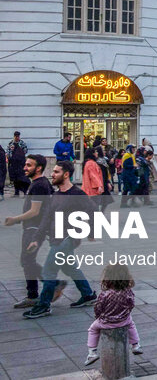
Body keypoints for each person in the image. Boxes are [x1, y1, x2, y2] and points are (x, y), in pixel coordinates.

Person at [23, 161, 97, 318]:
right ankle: (88, 295)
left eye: (56, 172)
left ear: (66, 174)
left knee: (48, 270)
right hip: (55, 238)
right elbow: (46, 219)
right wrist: (36, 238)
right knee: (71, 268)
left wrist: (91, 231)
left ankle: (43, 305)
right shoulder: (55, 196)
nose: (52, 174)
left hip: (68, 238)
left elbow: (92, 211)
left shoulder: (77, 194)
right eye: (53, 171)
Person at [4, 155, 52, 308]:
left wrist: (15, 219)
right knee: (27, 260)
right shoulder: (40, 183)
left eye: (29, 165)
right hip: (35, 228)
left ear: (38, 168)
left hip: (34, 228)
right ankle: (39, 290)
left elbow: (34, 211)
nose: (25, 167)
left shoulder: (39, 185)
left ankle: (38, 293)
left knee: (27, 260)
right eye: (25, 164)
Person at [84, 263, 142, 366]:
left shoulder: (105, 294)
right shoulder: (127, 291)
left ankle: (92, 352)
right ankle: (135, 345)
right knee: (131, 324)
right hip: (124, 320)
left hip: (106, 322)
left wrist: (98, 317)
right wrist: (126, 313)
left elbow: (98, 307)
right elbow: (131, 304)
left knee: (92, 329)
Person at [8, 131, 29, 196]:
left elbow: (25, 150)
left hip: (21, 163)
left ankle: (24, 192)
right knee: (15, 179)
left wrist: (20, 154)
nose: (17, 137)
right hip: (13, 164)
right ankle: (16, 192)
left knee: (22, 178)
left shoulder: (22, 143)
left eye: (18, 136)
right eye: (15, 136)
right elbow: (8, 151)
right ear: (14, 136)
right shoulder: (11, 143)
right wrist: (9, 157)